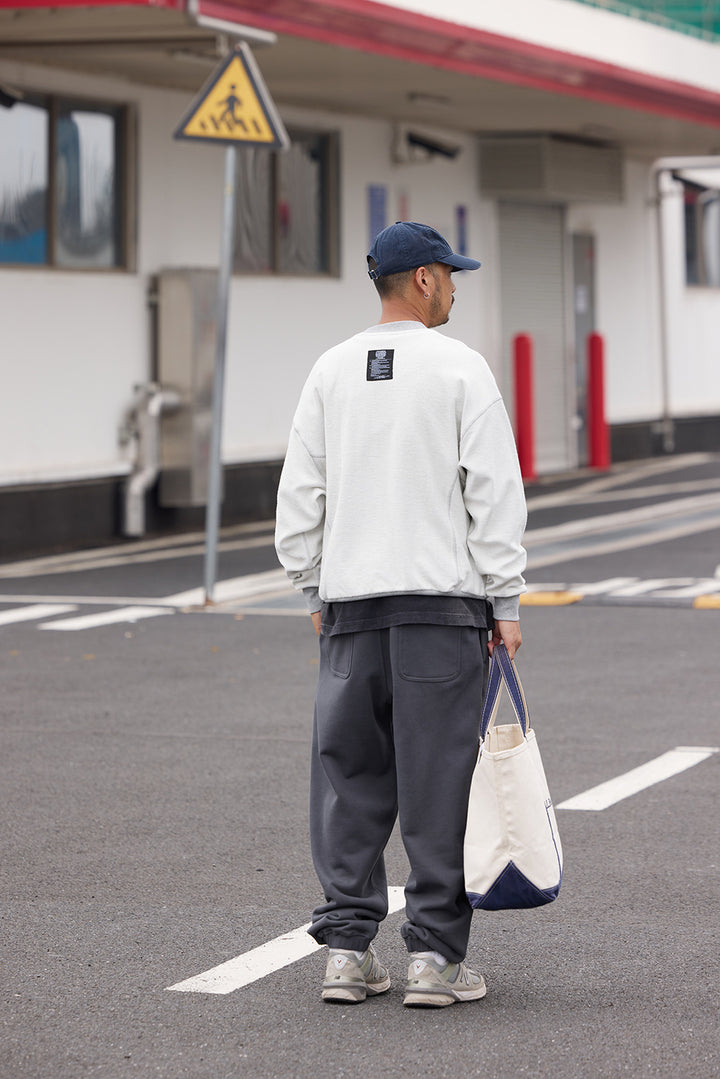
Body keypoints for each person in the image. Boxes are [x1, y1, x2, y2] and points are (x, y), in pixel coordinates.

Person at [275, 220, 527, 1008]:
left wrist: (313, 586)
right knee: (438, 780)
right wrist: (506, 598)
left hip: (349, 610)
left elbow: (300, 495)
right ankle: (435, 960)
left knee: (348, 777)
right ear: (422, 279)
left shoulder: (329, 369)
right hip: (440, 612)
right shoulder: (461, 369)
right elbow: (492, 492)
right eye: (450, 274)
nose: (455, 286)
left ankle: (348, 951)